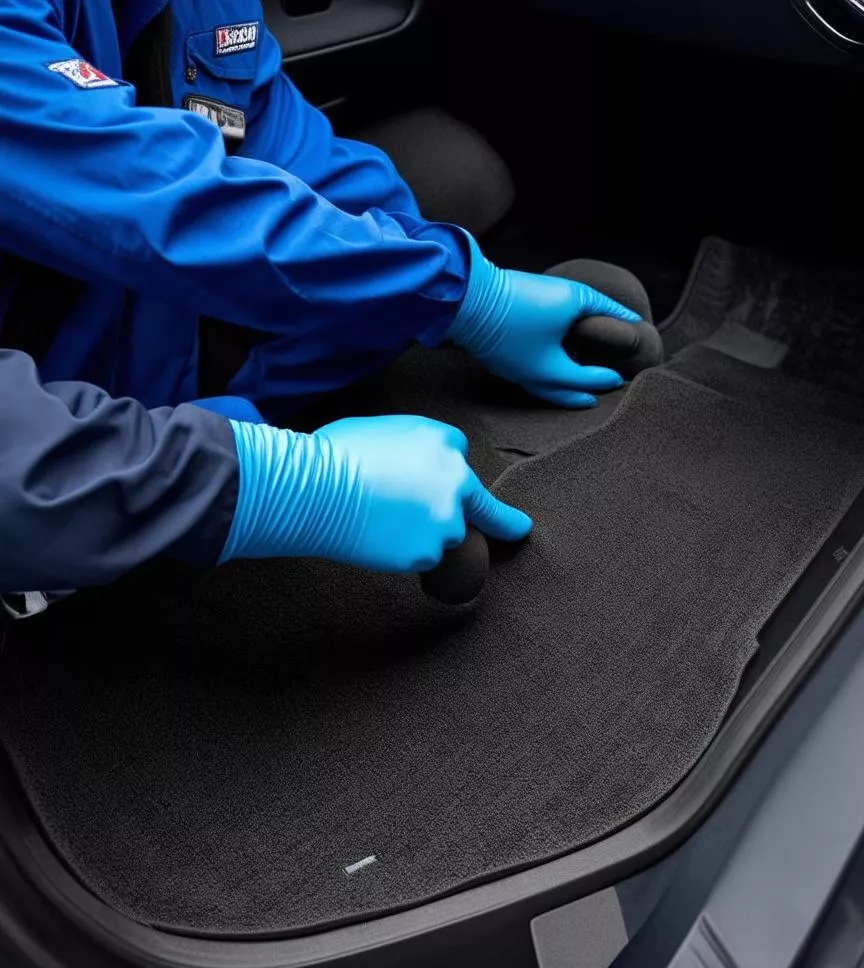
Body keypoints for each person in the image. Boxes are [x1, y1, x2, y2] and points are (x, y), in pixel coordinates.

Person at [0, 0, 640, 604]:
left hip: (148, 355)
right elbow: (149, 190)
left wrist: (465, 291)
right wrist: (284, 488)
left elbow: (282, 150)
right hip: (41, 448)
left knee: (450, 172)